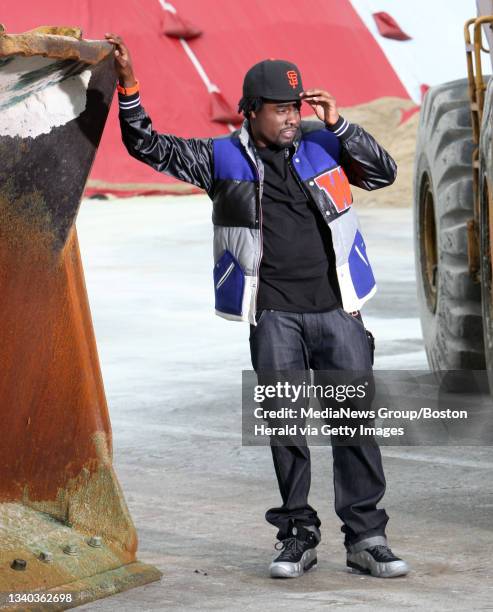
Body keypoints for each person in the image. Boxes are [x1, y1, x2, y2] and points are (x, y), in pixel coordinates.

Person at [105, 32, 410, 580]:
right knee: (287, 429)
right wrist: (128, 85)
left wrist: (339, 123)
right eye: (279, 109)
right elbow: (146, 145)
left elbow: (384, 172)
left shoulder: (325, 142)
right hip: (274, 317)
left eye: (296, 107)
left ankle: (367, 537)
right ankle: (297, 535)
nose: (292, 117)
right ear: (250, 111)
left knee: (355, 426)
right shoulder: (220, 158)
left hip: (339, 310)